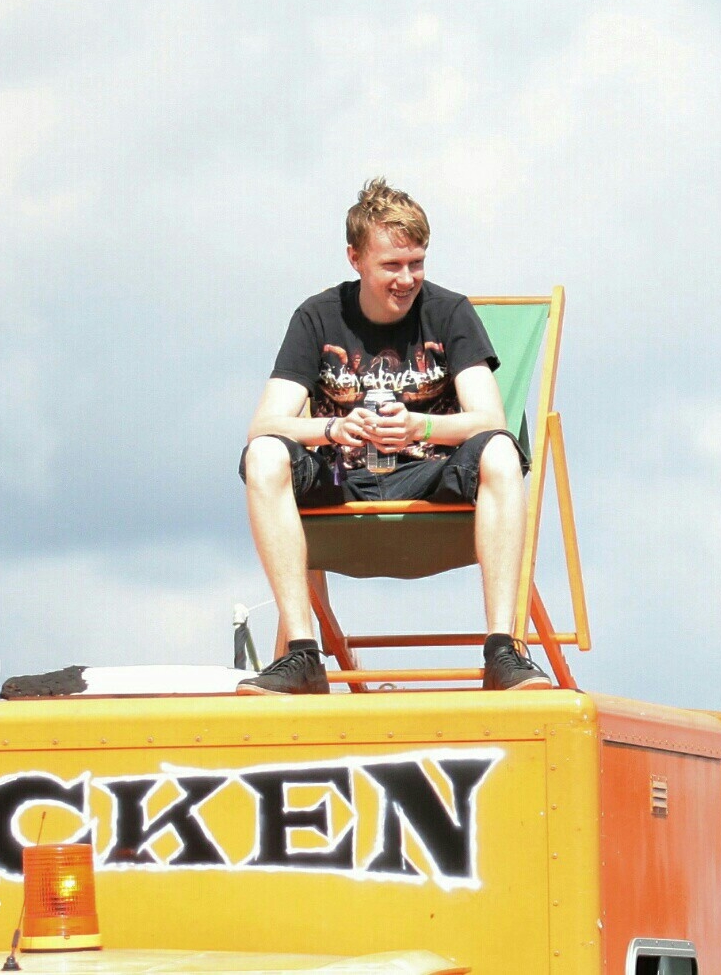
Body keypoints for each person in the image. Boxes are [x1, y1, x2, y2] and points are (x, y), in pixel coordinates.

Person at [236, 178, 551, 694]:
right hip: (343, 480)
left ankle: (503, 651)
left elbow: (489, 417)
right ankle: (302, 653)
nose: (407, 279)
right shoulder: (318, 316)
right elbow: (264, 424)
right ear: (355, 258)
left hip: (432, 477)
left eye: (416, 263)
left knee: (499, 449)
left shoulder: (448, 312)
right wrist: (333, 428)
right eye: (392, 266)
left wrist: (420, 426)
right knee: (264, 455)